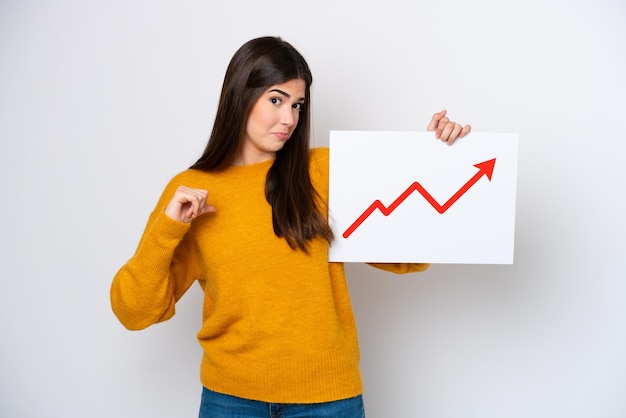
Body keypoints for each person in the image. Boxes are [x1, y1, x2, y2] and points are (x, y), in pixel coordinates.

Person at [110, 36, 471, 418]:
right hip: (230, 400)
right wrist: (167, 229)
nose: (290, 119)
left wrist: (434, 158)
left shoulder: (322, 172)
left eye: (297, 105)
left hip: (328, 400)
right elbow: (135, 312)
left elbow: (405, 259)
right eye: (276, 100)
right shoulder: (194, 191)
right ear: (240, 96)